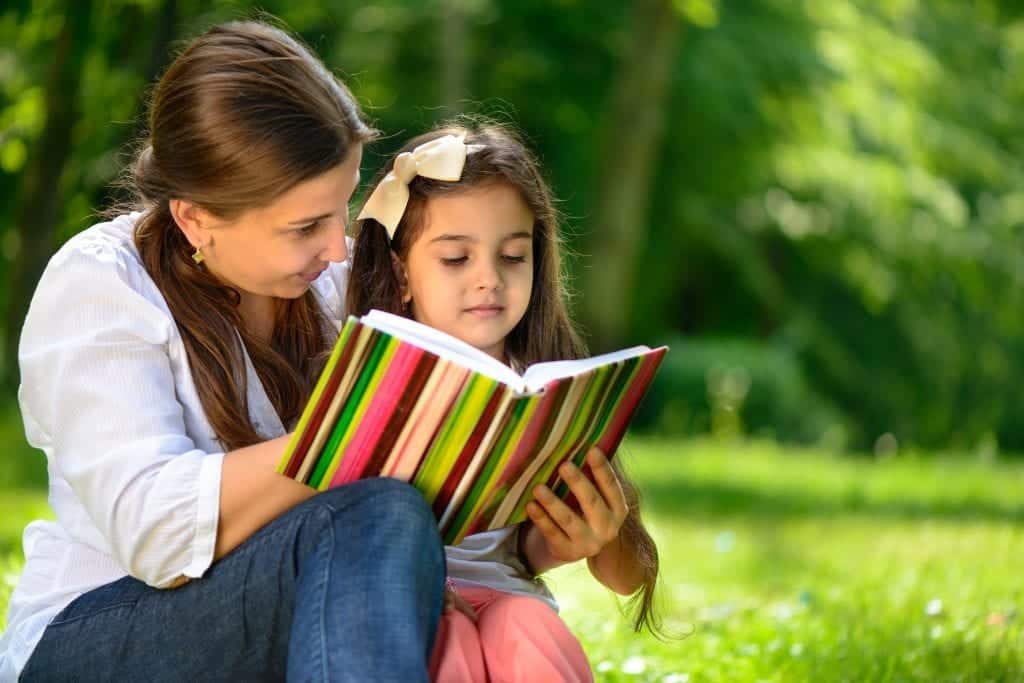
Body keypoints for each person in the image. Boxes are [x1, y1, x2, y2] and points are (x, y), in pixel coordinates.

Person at [0, 20, 457, 682]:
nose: (337, 247)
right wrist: (343, 438)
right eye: (304, 226)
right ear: (195, 218)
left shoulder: (330, 281)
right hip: (89, 637)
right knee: (375, 510)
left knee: (385, 513)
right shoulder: (101, 285)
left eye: (342, 206)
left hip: (250, 607)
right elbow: (155, 533)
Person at [348, 122, 664, 682]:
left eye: (513, 256)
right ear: (400, 274)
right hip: (399, 601)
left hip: (508, 599)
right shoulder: (363, 375)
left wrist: (602, 535)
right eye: (455, 260)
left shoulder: (549, 385)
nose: (488, 279)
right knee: (449, 646)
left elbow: (629, 576)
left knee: (526, 627)